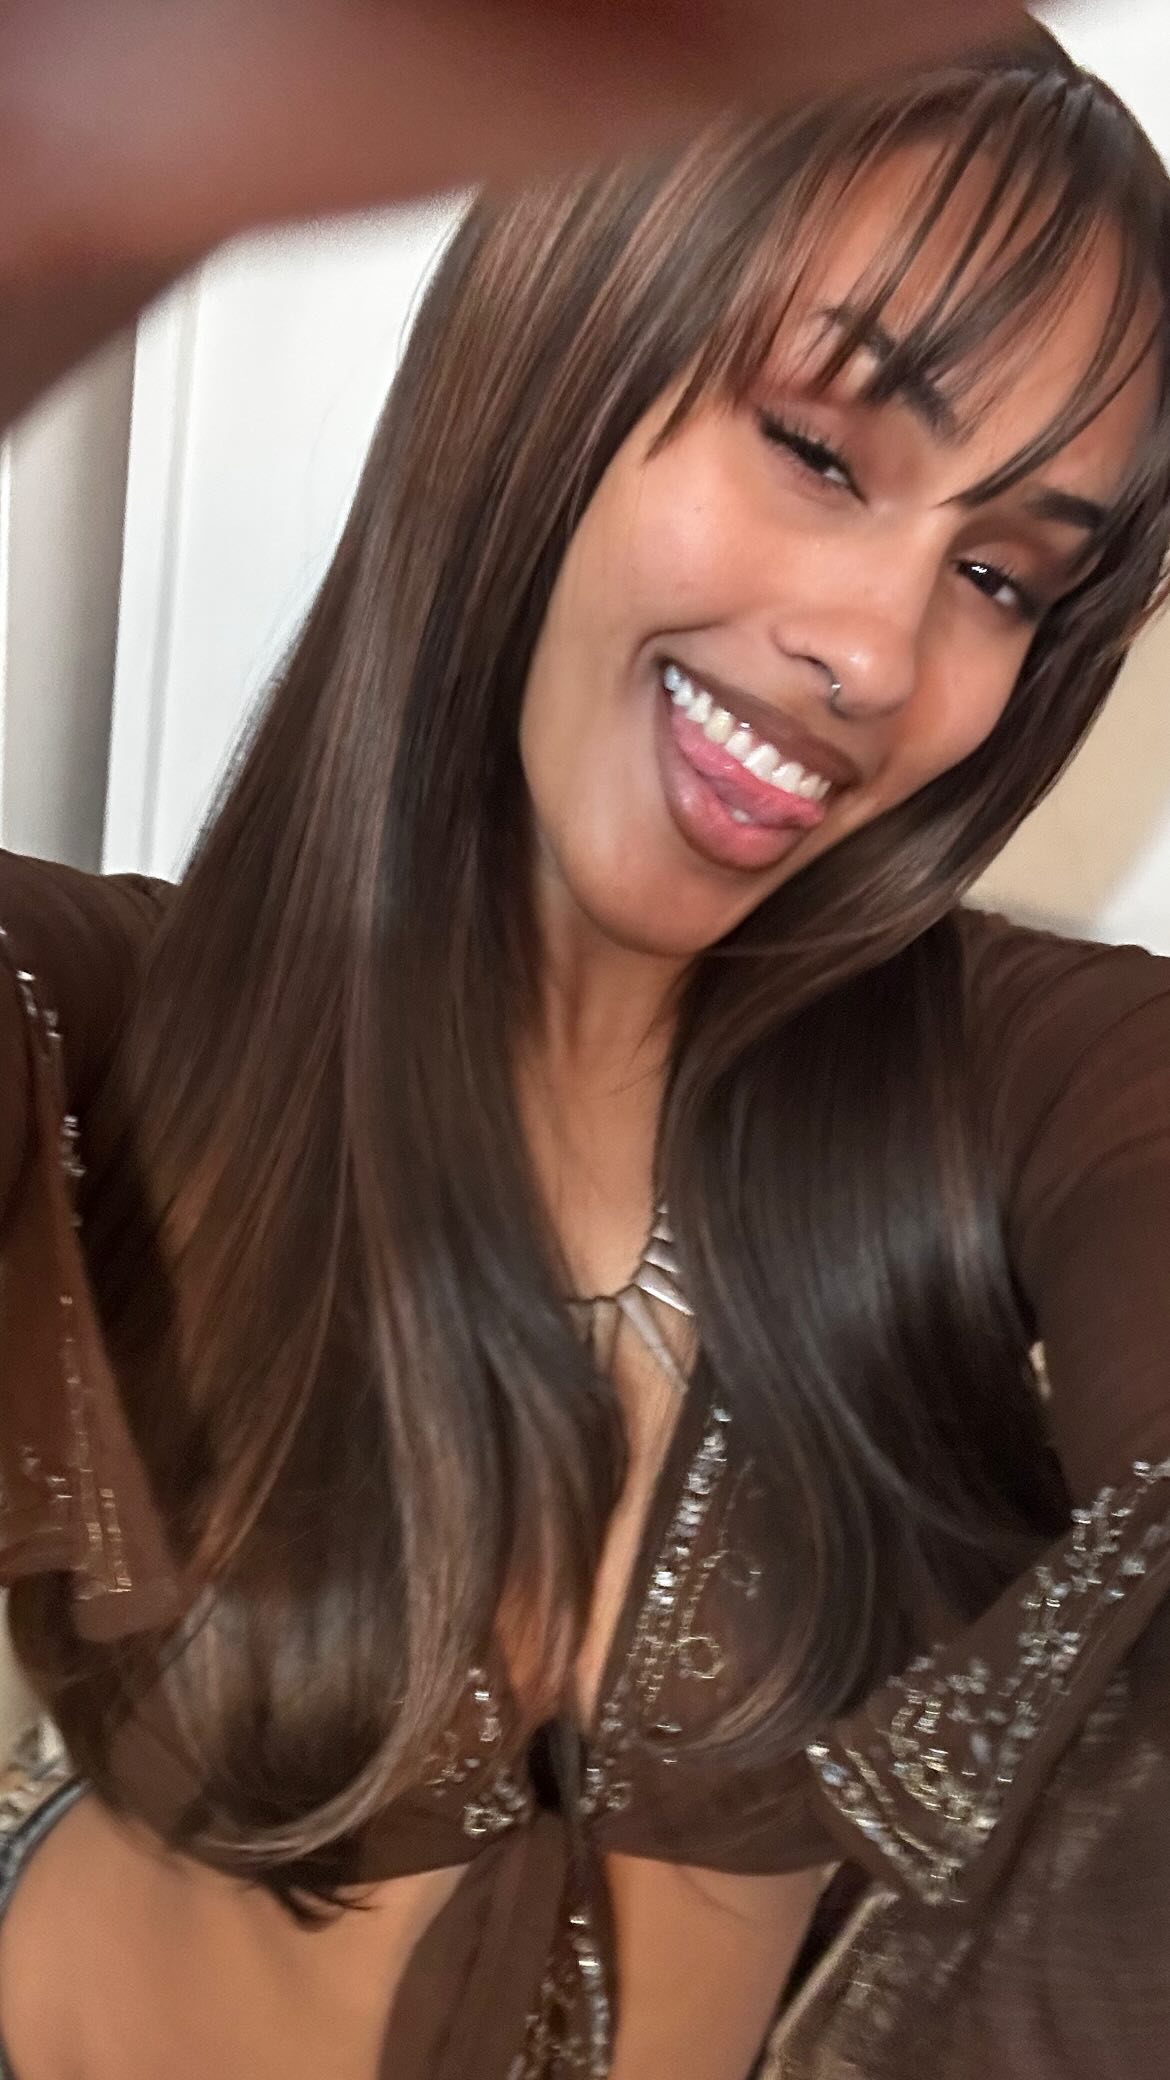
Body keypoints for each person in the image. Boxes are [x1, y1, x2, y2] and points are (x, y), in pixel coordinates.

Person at [0, 19, 1169, 2080]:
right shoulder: (103, 1025)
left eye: (999, 574)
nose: (881, 654)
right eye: (820, 450)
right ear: (559, 329)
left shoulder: (1026, 1083)